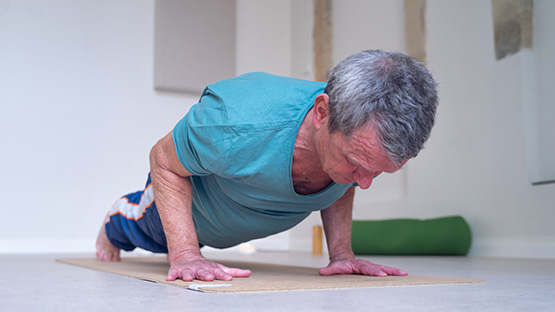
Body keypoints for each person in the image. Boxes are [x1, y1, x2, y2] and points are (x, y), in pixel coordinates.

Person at [96, 49, 439, 282]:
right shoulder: (233, 121)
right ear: (322, 113)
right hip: (185, 215)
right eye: (355, 162)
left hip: (234, 224)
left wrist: (341, 253)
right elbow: (163, 160)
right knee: (140, 234)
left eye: (377, 171)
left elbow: (344, 182)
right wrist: (185, 253)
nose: (364, 184)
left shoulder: (353, 142)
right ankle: (117, 217)